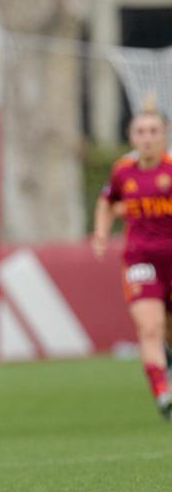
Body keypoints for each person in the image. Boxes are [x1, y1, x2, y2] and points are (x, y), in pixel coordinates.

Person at [92, 106, 172, 420]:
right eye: (141, 132)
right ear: (131, 136)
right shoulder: (123, 171)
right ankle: (162, 393)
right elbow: (107, 201)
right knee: (148, 327)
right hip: (141, 259)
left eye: (153, 131)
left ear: (164, 135)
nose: (147, 138)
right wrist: (100, 233)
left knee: (166, 329)